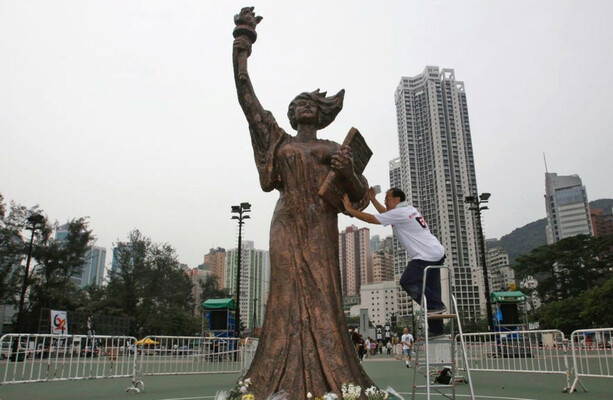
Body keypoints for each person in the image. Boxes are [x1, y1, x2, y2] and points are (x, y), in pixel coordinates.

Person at [232, 7, 374, 399]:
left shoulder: (333, 148)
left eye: (310, 101)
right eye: (297, 102)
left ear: (322, 113)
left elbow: (360, 196)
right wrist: (241, 45)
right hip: (287, 220)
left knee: (323, 292)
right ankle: (275, 377)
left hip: (321, 225)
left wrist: (346, 171)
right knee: (284, 292)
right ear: (291, 114)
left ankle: (334, 377)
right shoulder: (279, 141)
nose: (303, 105)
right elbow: (248, 100)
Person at [342, 188, 447, 337]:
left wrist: (350, 210)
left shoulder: (400, 213)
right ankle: (437, 330)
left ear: (397, 200)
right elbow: (385, 214)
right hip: (437, 253)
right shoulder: (408, 210)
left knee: (407, 281)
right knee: (431, 290)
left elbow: (373, 219)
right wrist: (373, 200)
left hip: (425, 255)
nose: (386, 201)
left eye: (387, 199)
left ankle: (435, 306)